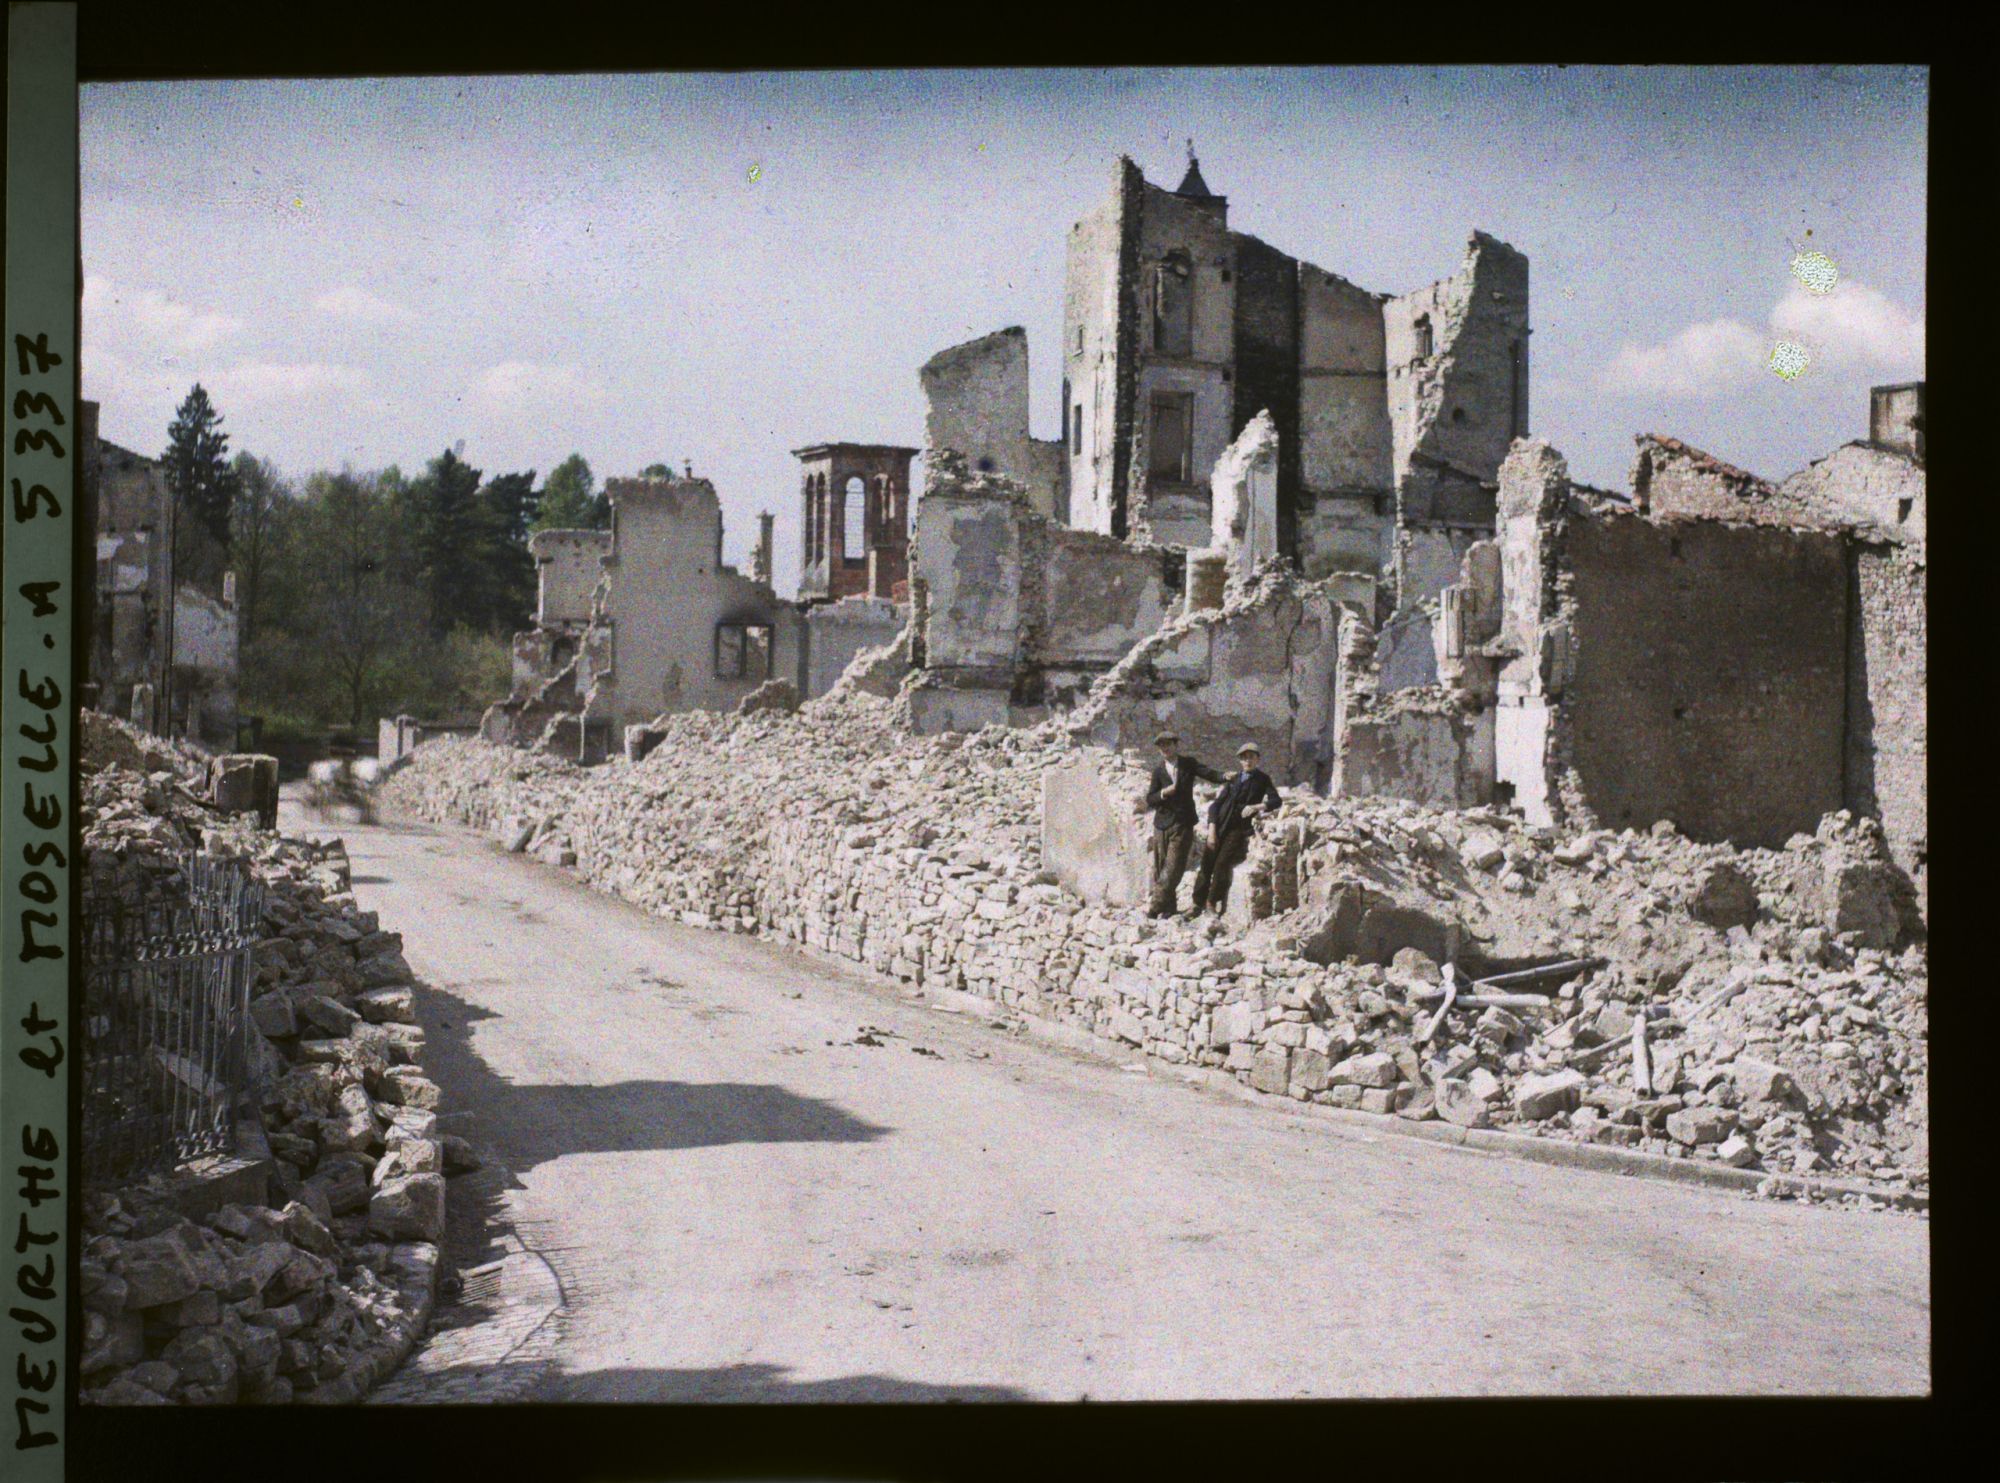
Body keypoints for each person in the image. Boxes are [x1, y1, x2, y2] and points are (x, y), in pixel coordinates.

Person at [1135, 730, 1225, 918]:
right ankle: (1168, 909)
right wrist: (1163, 793)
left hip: (1183, 823)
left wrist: (1225, 777)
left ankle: (1153, 909)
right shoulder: (1158, 771)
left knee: (1174, 868)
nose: (1165, 748)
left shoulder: (1188, 764)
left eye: (1168, 744)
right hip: (1161, 825)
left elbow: (1208, 773)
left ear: (1176, 745)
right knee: (1161, 869)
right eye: (1161, 746)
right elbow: (1150, 799)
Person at [1190, 742, 1281, 917]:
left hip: (1239, 829)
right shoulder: (1233, 779)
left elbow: (1276, 800)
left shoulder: (1263, 779)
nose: (1248, 761)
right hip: (1219, 825)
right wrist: (1212, 830)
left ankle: (1211, 902)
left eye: (1251, 757)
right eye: (1244, 758)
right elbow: (1215, 805)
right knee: (1206, 865)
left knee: (1222, 864)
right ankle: (1196, 904)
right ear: (1240, 760)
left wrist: (1256, 807)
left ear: (1257, 759)